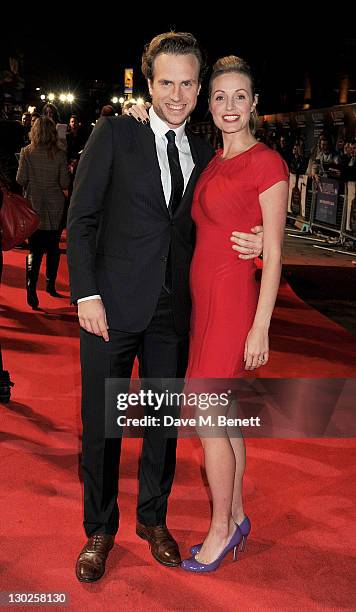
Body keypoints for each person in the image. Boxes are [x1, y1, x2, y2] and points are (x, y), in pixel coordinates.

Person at [67, 32, 263, 583]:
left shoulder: (207, 151)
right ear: (148, 83)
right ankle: (99, 529)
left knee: (161, 424)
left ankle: (152, 518)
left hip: (174, 313)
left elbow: (233, 216)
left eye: (187, 83)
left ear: (200, 88)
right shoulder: (114, 132)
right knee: (101, 427)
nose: (176, 94)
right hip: (107, 308)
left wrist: (266, 243)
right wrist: (87, 294)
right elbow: (81, 219)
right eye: (166, 82)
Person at [178, 56, 288, 573]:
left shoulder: (267, 163)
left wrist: (261, 325)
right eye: (220, 96)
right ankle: (238, 515)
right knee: (220, 413)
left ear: (254, 103)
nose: (229, 105)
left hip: (234, 304)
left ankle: (221, 529)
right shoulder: (213, 160)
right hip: (205, 304)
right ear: (209, 101)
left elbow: (277, 250)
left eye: (239, 95)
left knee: (203, 410)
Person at [16, 116, 70, 308]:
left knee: (35, 249)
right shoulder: (60, 154)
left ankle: (31, 288)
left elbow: (20, 179)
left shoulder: (26, 152)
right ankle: (50, 284)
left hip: (34, 205)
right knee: (53, 247)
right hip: (55, 206)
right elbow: (64, 182)